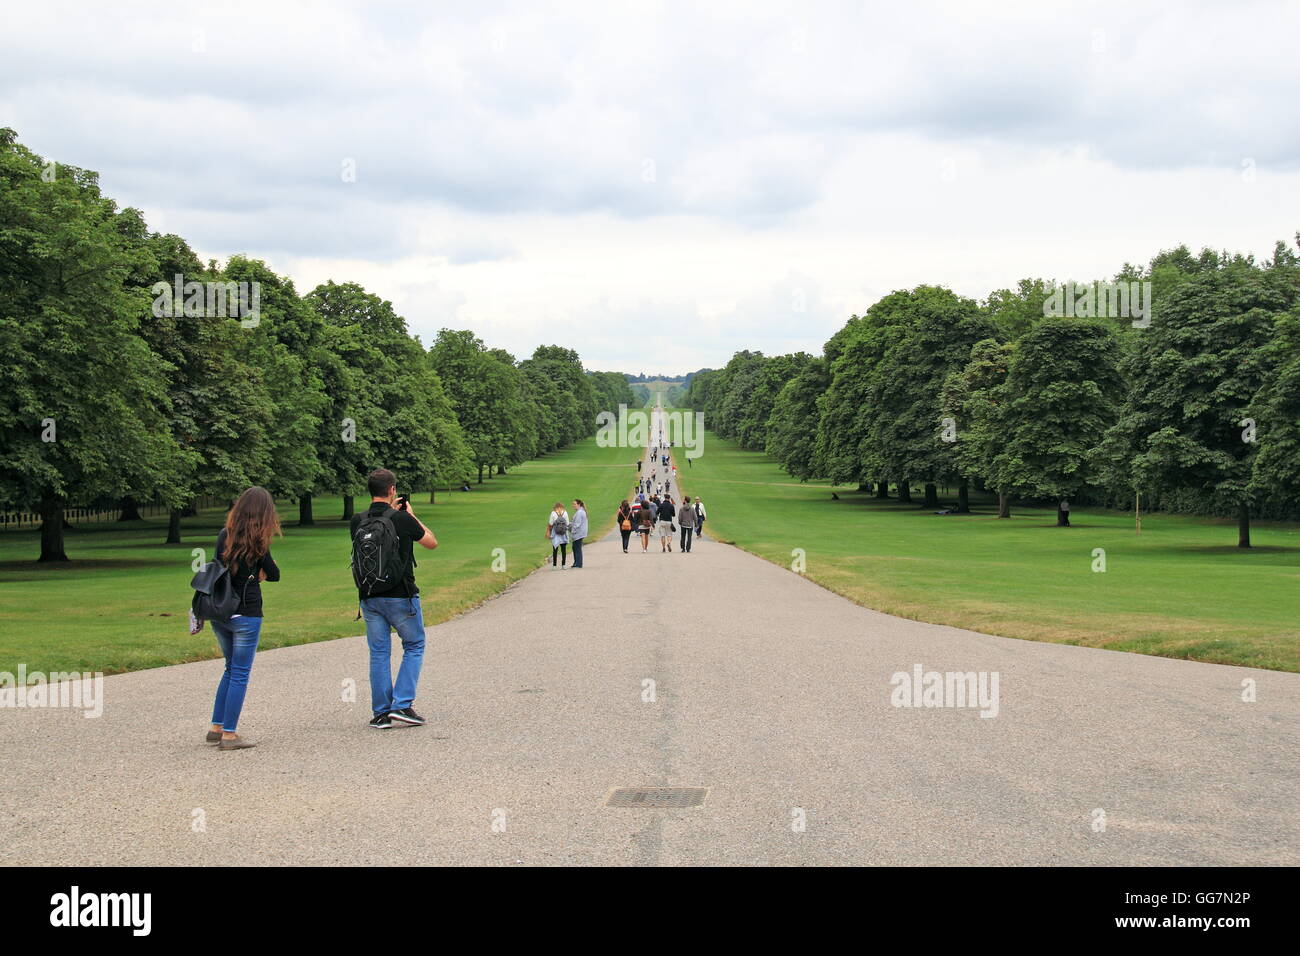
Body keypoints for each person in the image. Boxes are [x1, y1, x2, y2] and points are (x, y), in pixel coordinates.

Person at [351, 468, 438, 730]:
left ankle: (381, 712)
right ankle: (401, 704)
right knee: (414, 645)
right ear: (391, 490)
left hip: (369, 595)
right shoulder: (401, 519)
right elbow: (431, 542)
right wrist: (411, 515)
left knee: (379, 653)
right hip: (400, 594)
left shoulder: (357, 520)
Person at [207, 486, 281, 751]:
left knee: (229, 669)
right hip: (247, 613)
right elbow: (274, 574)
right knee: (239, 673)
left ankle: (216, 726)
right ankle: (229, 734)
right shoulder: (258, 540)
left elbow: (217, 569)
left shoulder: (224, 536)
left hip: (221, 611)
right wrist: (259, 571)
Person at [547, 501, 570, 568]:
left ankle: (554, 565)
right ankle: (564, 565)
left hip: (556, 533)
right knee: (563, 550)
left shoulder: (553, 513)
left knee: (555, 549)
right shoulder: (565, 512)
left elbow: (550, 523)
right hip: (563, 533)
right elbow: (567, 523)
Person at [570, 498, 588, 568]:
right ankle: (576, 563)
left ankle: (578, 564)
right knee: (575, 548)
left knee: (577, 548)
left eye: (574, 504)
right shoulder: (580, 511)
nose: (573, 505)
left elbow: (577, 524)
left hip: (578, 533)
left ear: (579, 504)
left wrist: (572, 531)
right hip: (580, 533)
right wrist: (570, 524)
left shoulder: (580, 512)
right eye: (573, 504)